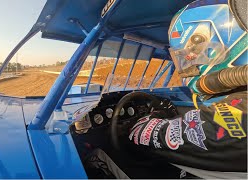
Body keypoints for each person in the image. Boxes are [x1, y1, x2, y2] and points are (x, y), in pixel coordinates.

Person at [84, 0, 247, 179]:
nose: (188, 65)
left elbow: (141, 135)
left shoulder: (240, 115)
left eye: (189, 57)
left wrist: (147, 119)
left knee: (100, 154)